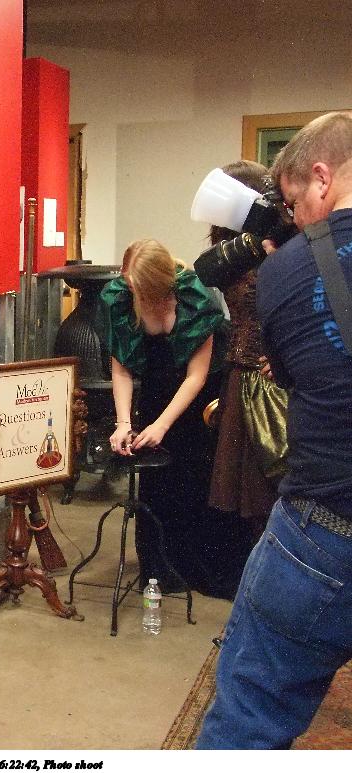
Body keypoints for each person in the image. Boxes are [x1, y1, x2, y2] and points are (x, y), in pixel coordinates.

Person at [197, 111, 352, 749]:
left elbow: (289, 367)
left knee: (248, 717)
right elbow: (207, 267)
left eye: (294, 202)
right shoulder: (271, 250)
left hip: (325, 519)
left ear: (322, 179)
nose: (296, 217)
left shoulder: (291, 267)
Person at [98, 238, 243, 598]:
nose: (133, 293)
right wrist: (123, 423)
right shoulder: (121, 298)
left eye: (140, 288)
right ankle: (160, 569)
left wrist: (163, 425)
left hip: (195, 399)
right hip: (155, 392)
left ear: (160, 285)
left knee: (193, 479)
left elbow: (196, 376)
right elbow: (122, 369)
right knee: (157, 483)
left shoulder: (194, 299)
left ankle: (197, 568)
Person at [205, 161, 289, 537]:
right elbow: (205, 270)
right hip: (241, 377)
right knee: (251, 500)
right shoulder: (239, 249)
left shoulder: (287, 241)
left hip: (276, 382)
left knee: (273, 490)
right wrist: (256, 242)